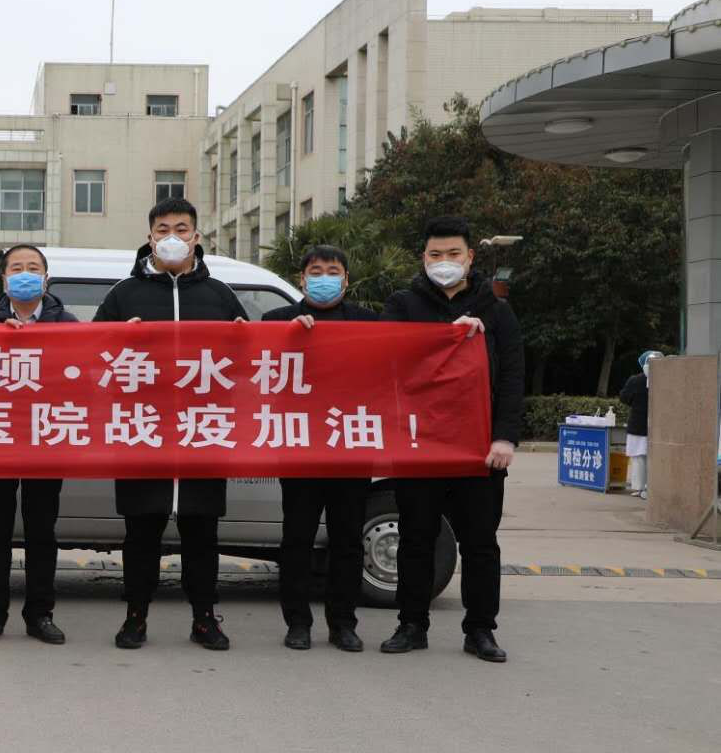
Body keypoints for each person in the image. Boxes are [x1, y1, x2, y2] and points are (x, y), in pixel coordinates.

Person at [93, 197, 247, 651]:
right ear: (150, 237)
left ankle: (204, 619)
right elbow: (92, 358)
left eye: (182, 229)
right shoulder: (123, 294)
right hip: (143, 430)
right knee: (141, 534)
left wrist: (243, 341)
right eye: (163, 230)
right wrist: (118, 340)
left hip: (202, 432)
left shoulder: (219, 295)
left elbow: (247, 366)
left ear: (196, 237)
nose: (172, 237)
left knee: (203, 535)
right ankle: (135, 617)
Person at [380, 216, 524, 663]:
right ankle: (411, 624)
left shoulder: (496, 310)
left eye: (454, 254)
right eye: (436, 254)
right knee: (416, 538)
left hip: (477, 449)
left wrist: (505, 438)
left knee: (480, 543)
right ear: (423, 258)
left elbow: (512, 376)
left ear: (470, 257)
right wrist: (443, 340)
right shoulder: (403, 305)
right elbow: (385, 361)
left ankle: (480, 629)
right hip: (420, 445)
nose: (445, 262)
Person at [261, 244, 377, 652]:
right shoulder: (277, 321)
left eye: (332, 271)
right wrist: (287, 336)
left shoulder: (368, 323)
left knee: (348, 540)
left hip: (350, 445)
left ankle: (343, 623)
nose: (323, 277)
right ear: (302, 278)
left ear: (345, 280)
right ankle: (297, 623)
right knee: (297, 539)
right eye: (316, 271)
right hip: (300, 447)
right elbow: (257, 371)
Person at [0, 244, 78, 645]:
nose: (25, 274)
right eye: (17, 268)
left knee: (41, 531)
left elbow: (79, 378)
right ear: (4, 279)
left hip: (46, 438)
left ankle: (40, 614)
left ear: (46, 279)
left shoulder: (67, 324)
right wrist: (3, 342)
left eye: (33, 268)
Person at [620, 350, 661, 499]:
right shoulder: (665, 381)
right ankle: (651, 487)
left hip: (637, 426)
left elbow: (624, 397)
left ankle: (638, 487)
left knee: (638, 458)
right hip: (658, 426)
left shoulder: (635, 380)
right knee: (654, 459)